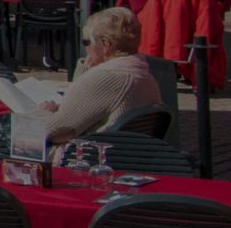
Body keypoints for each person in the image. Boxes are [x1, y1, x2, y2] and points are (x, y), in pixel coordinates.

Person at [44, 8, 161, 143]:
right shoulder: (141, 73)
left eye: (86, 42)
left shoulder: (107, 77)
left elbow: (53, 131)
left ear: (105, 44)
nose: (85, 48)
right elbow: (79, 106)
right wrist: (87, 68)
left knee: (19, 143)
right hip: (125, 152)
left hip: (87, 155)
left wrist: (42, 112)